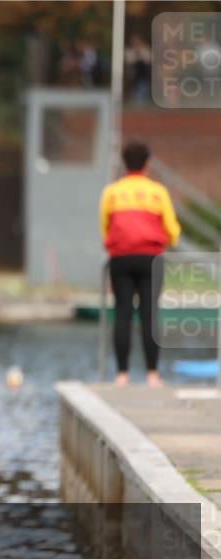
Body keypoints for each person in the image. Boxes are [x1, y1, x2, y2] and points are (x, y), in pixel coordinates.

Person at [99, 141, 181, 388]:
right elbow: (172, 230)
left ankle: (122, 375)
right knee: (149, 315)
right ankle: (152, 375)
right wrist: (166, 240)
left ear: (124, 163)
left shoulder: (112, 192)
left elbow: (104, 227)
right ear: (148, 163)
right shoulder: (158, 192)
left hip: (121, 259)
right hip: (151, 259)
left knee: (122, 313)